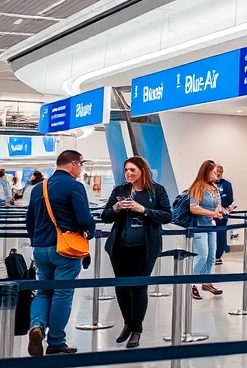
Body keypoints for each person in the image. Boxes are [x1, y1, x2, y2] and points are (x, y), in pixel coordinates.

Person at [25, 150, 97, 356]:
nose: (81, 169)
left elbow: (29, 221)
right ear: (73, 164)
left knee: (43, 291)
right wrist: (90, 231)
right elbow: (84, 218)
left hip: (40, 248)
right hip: (66, 249)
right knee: (63, 294)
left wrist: (36, 241)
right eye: (80, 164)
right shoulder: (75, 186)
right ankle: (56, 342)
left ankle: (36, 326)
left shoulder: (39, 188)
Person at [101, 156, 172, 348]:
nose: (128, 173)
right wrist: (116, 207)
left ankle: (137, 329)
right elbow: (105, 216)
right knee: (122, 286)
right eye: (126, 170)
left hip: (145, 247)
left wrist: (144, 210)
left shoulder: (157, 191)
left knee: (139, 287)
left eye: (132, 170)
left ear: (142, 170)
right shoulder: (120, 190)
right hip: (120, 246)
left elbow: (167, 215)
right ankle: (128, 323)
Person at [188, 160, 225, 300]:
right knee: (202, 255)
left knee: (211, 257)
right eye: (214, 172)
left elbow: (218, 205)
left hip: (211, 225)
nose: (217, 174)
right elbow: (193, 207)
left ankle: (206, 281)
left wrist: (222, 211)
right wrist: (212, 214)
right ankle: (192, 283)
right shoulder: (197, 187)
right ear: (207, 171)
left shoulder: (214, 187)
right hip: (199, 225)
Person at [214, 165, 234, 265]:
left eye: (221, 172)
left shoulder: (226, 184)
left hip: (222, 215)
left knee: (221, 235)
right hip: (209, 215)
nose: (219, 174)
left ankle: (218, 255)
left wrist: (222, 207)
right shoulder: (208, 183)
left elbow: (230, 198)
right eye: (217, 171)